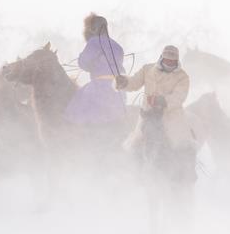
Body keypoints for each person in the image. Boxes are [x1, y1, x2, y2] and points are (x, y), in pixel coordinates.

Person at [117, 45, 194, 180]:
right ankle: (134, 177)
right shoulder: (147, 69)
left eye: (172, 61)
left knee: (183, 146)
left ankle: (187, 177)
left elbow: (179, 97)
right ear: (161, 58)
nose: (169, 63)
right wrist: (124, 82)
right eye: (167, 60)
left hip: (171, 118)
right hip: (147, 116)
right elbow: (134, 83)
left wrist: (162, 101)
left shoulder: (183, 77)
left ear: (176, 61)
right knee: (133, 147)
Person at [65, 14, 127, 129]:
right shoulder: (118, 46)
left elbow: (84, 62)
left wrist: (87, 64)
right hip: (119, 90)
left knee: (74, 107)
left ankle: (78, 134)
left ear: (94, 28)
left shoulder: (94, 41)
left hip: (100, 87)